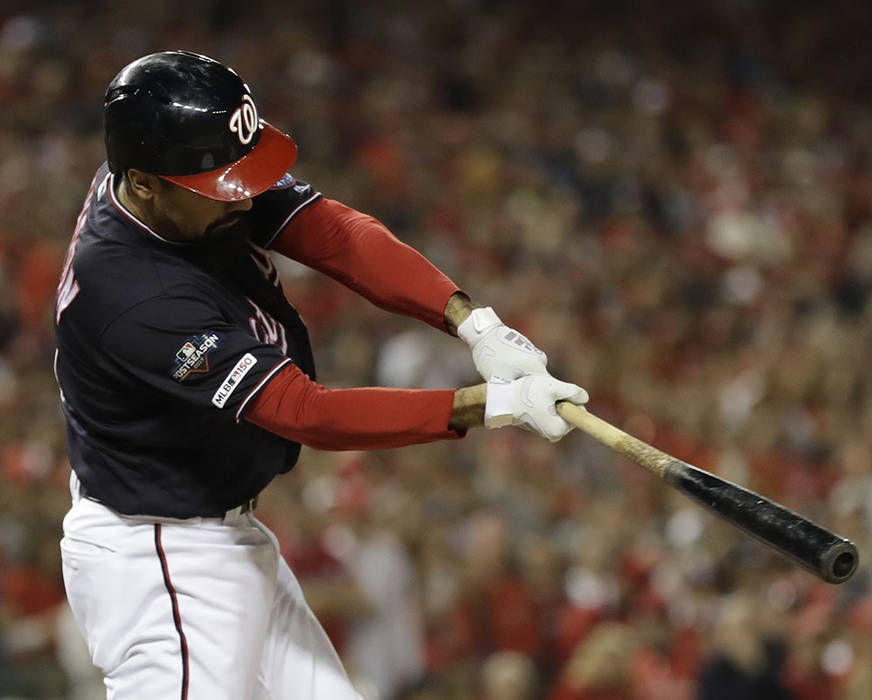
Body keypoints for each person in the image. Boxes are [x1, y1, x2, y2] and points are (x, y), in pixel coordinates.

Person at [53, 50, 588, 700]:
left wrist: (473, 324)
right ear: (143, 183)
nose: (244, 193)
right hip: (162, 560)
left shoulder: (172, 185)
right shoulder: (133, 294)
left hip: (223, 535)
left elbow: (329, 231)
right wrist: (488, 405)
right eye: (221, 183)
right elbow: (305, 413)